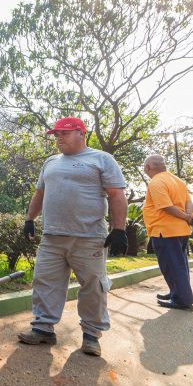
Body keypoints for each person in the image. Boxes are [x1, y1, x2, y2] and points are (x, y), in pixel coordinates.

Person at [18, 117, 128, 357]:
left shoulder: (102, 159)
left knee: (93, 287)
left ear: (81, 133)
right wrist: (29, 218)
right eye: (56, 134)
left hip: (89, 237)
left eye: (64, 133)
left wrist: (119, 229)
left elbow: (116, 195)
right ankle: (43, 328)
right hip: (52, 236)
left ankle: (91, 335)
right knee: (44, 282)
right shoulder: (50, 162)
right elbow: (40, 192)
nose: (58, 138)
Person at [142, 154, 193, 311]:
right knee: (179, 264)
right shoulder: (178, 181)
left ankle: (181, 299)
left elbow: (165, 206)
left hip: (165, 230)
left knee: (172, 265)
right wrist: (188, 217)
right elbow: (188, 202)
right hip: (181, 230)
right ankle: (176, 293)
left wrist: (186, 217)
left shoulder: (156, 182)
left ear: (148, 168)